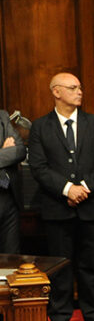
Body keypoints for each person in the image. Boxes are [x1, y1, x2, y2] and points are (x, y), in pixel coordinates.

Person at [28, 73, 94, 321]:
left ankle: (93, 314)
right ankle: (60, 316)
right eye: (73, 87)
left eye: (80, 87)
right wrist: (66, 189)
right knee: (60, 266)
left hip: (92, 206)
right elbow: (39, 167)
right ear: (56, 92)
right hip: (57, 207)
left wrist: (83, 188)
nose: (79, 91)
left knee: (91, 265)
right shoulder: (41, 127)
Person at [0, 108, 26, 253]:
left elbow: (20, 150)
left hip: (8, 197)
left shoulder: (2, 116)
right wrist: (4, 152)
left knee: (11, 262)